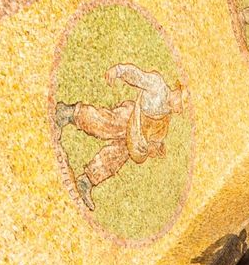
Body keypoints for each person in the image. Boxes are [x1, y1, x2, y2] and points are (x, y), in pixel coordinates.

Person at [54, 63, 188, 209]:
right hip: (129, 116)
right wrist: (118, 70)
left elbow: (150, 139)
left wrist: (152, 148)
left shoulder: (165, 121)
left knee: (117, 156)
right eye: (181, 105)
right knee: (104, 123)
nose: (180, 110)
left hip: (134, 136)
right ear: (177, 92)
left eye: (182, 108)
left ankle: (86, 181)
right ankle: (67, 113)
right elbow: (137, 76)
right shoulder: (158, 86)